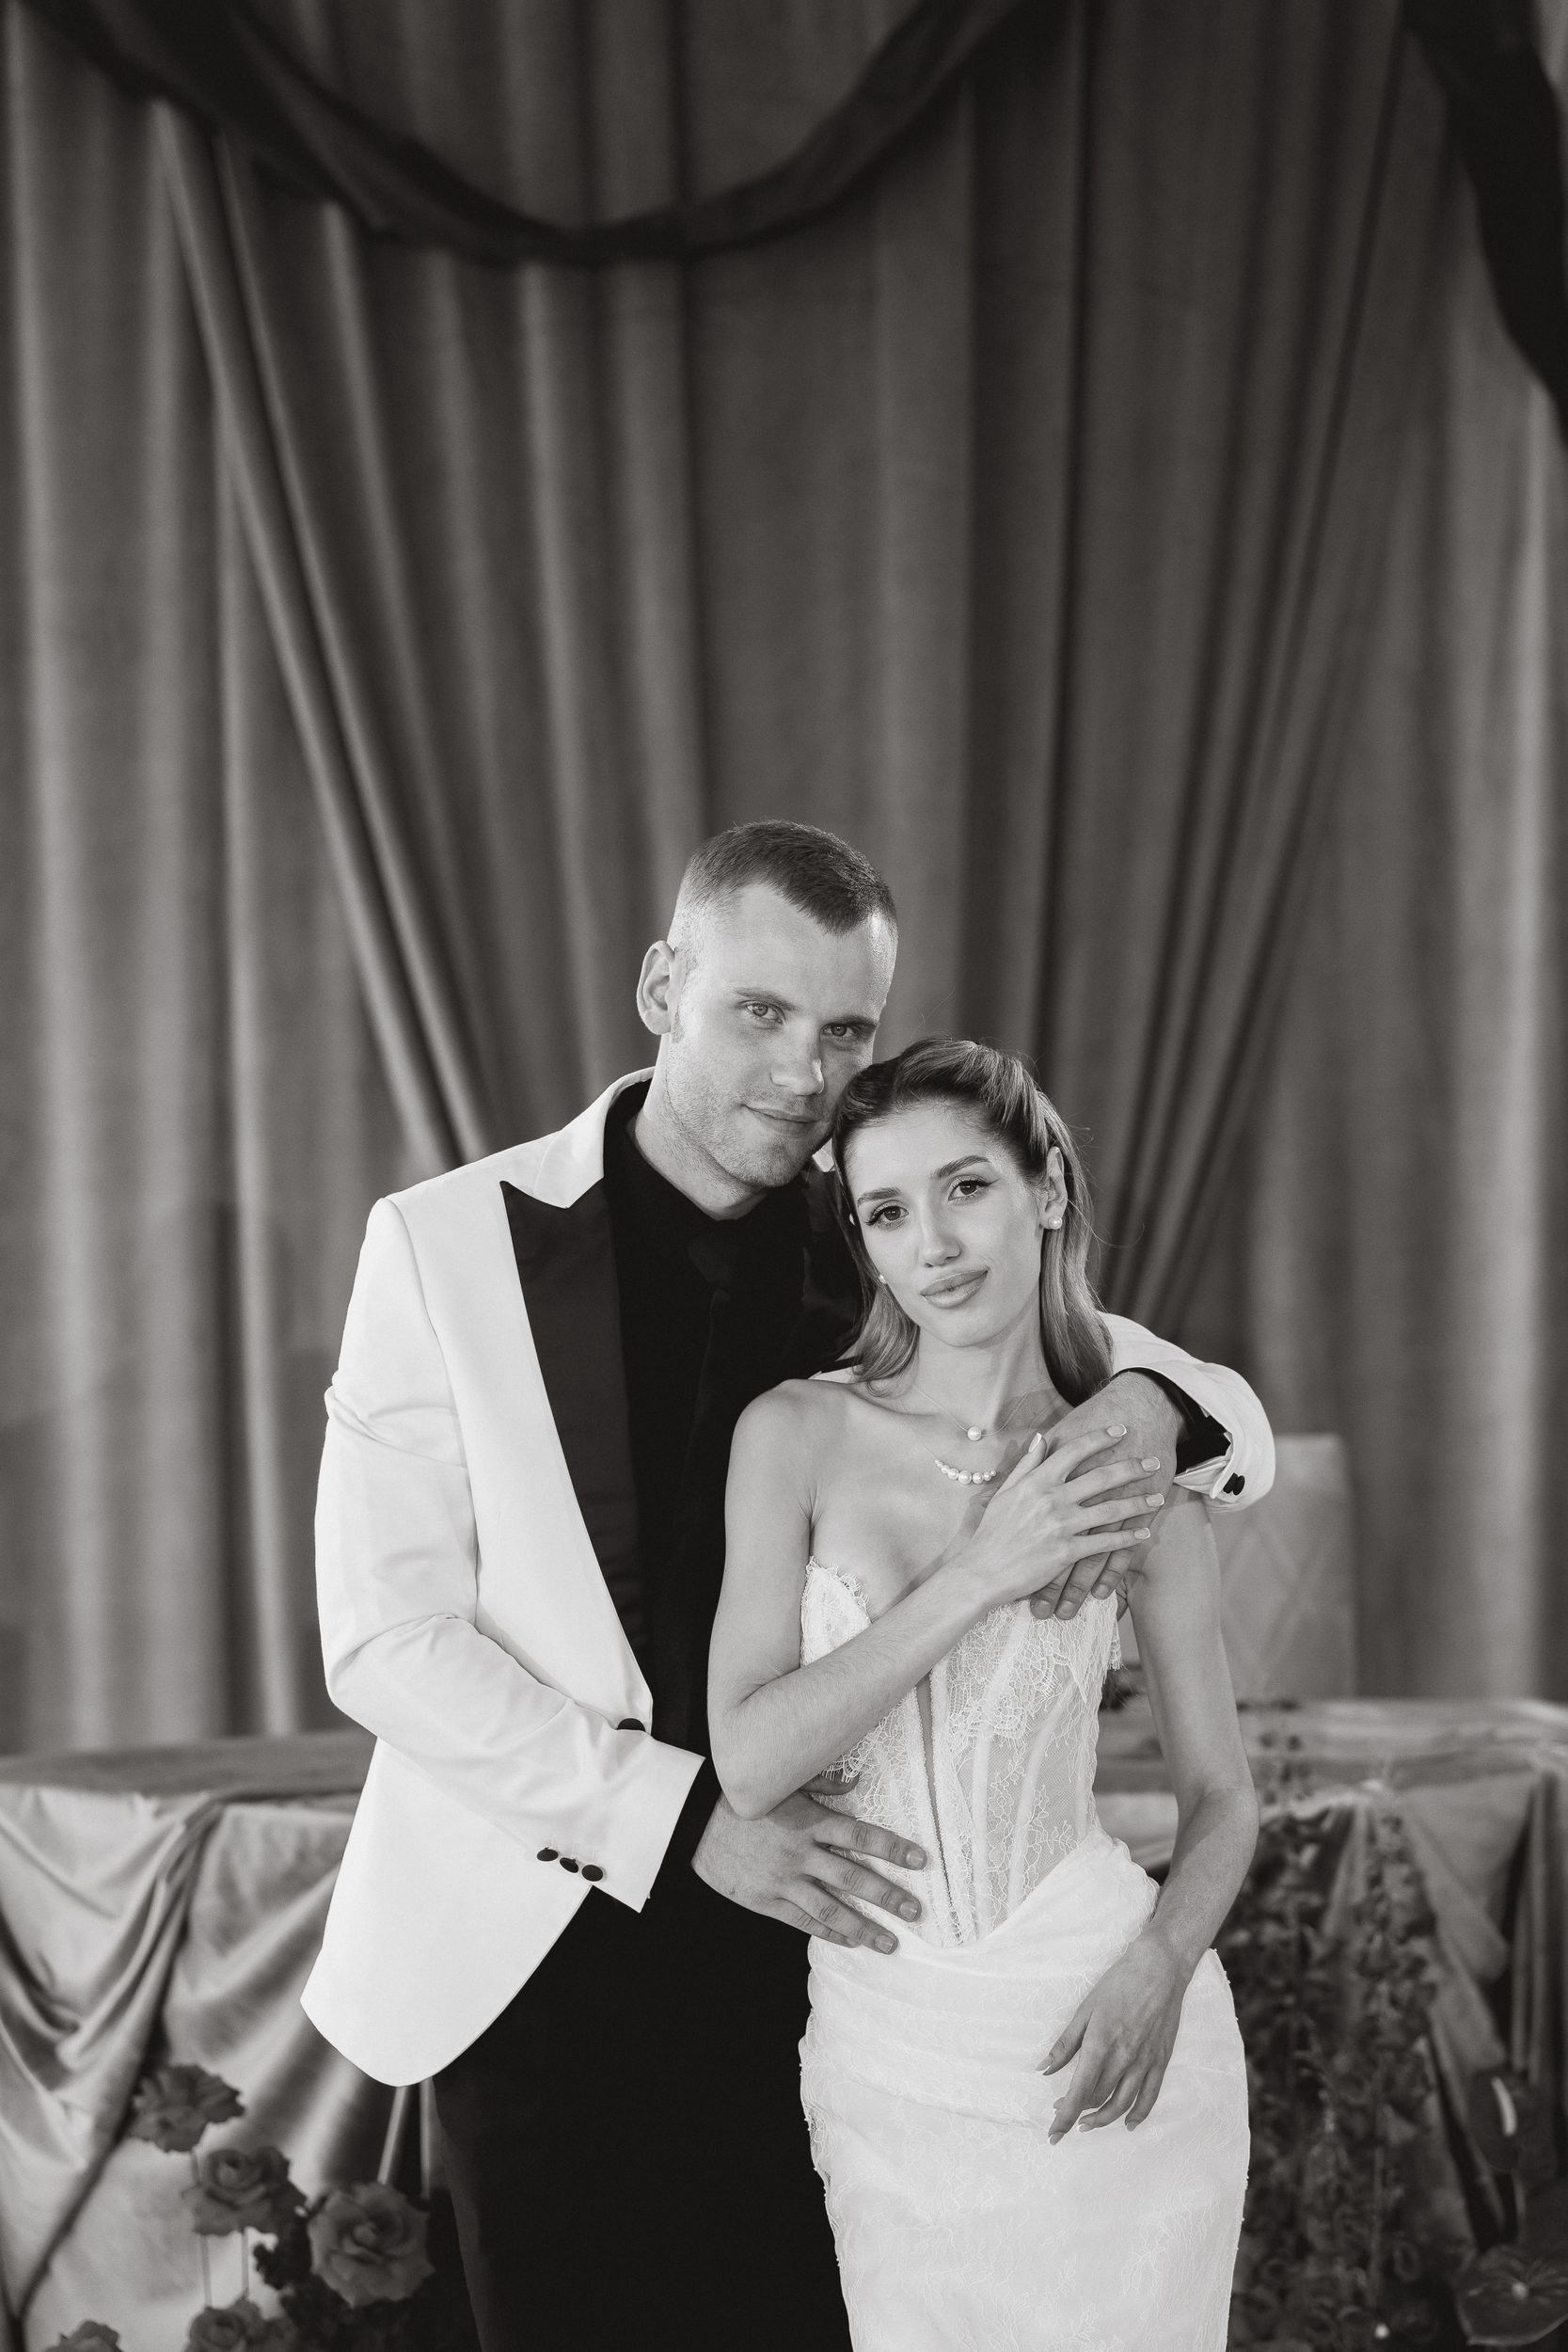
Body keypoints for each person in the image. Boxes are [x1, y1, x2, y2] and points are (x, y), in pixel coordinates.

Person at [302, 821, 1274, 2352]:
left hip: (831, 1969)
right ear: (661, 987)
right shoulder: (444, 1244)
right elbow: (383, 1641)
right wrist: (681, 1818)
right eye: (758, 1012)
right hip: (547, 1947)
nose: (802, 1073)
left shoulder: (883, 1226)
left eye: (844, 1031)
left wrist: (1157, 1406)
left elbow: (1180, 1393)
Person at [707, 1036, 1259, 2351]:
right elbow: (751, 1763)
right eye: (888, 1212)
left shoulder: (1129, 1469)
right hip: (891, 2041)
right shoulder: (794, 1435)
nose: (935, 1245)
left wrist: (1161, 1966)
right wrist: (984, 1569)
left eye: (965, 1188)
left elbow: (1223, 1794)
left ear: (1046, 1189)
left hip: (1102, 2013)